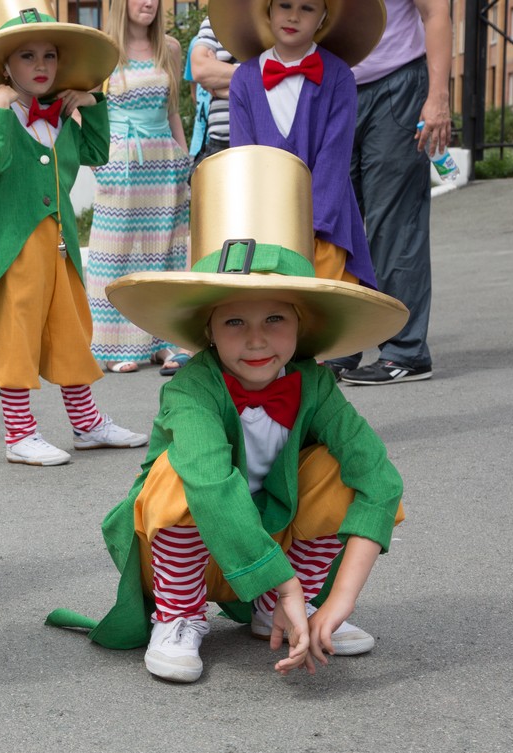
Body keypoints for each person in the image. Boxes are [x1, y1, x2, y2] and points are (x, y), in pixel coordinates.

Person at [46, 145, 409, 683]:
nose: (257, 340)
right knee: (179, 474)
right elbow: (212, 485)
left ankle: (283, 610)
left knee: (340, 472)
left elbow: (379, 481)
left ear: (303, 325)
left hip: (273, 549)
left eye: (275, 319)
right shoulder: (191, 388)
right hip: (188, 554)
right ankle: (178, 615)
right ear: (208, 331)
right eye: (235, 321)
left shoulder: (314, 383)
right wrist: (284, 582)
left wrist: (336, 601)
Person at [0, 0, 149, 467]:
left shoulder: (62, 119)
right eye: (27, 56)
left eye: (49, 56)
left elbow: (97, 153)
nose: (41, 65)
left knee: (69, 330)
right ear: (5, 66)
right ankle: (19, 433)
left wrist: (92, 105)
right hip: (14, 249)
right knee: (14, 333)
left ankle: (87, 424)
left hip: (59, 249)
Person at [218, 0, 384, 290]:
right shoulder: (244, 79)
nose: (293, 16)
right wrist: (262, 223)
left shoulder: (339, 77)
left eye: (307, 8)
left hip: (325, 230)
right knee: (270, 305)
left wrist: (310, 227)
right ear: (268, 10)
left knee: (322, 308)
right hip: (264, 229)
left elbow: (334, 160)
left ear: (323, 18)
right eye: (285, 5)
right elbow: (244, 162)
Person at [340, 0, 451, 385]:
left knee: (394, 223)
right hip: (334, 89)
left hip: (396, 84)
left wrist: (437, 97)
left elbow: (435, 12)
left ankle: (405, 351)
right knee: (335, 222)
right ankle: (341, 345)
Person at [84, 0, 191, 376]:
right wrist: (99, 161)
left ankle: (162, 341)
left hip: (164, 161)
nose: (149, 2)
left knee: (164, 252)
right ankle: (114, 345)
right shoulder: (102, 51)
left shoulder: (170, 48)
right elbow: (81, 106)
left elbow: (172, 111)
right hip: (121, 161)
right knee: (113, 253)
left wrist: (183, 158)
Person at [186, 14, 238, 171]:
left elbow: (277, 75)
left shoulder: (273, 17)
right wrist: (255, 79)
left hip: (264, 142)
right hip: (219, 143)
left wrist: (221, 82)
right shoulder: (215, 19)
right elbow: (200, 70)